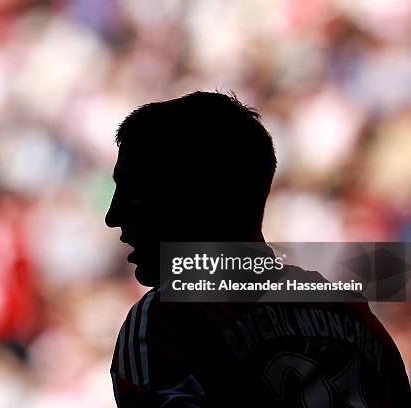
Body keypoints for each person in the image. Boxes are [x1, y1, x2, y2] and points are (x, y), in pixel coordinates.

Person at [105, 91, 411, 407]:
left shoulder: (167, 321)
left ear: (195, 195)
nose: (113, 216)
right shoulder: (356, 320)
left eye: (133, 190)